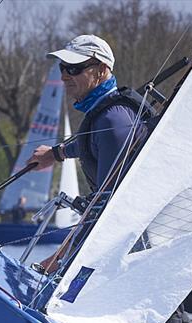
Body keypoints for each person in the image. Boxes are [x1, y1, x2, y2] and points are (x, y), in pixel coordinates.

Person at [28, 34, 149, 272]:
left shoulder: (114, 122)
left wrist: (58, 261)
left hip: (134, 248)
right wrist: (56, 153)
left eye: (74, 68)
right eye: (63, 68)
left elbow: (105, 206)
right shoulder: (106, 114)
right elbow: (91, 144)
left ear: (101, 70)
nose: (64, 76)